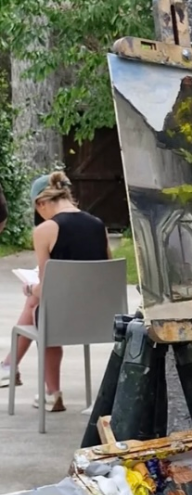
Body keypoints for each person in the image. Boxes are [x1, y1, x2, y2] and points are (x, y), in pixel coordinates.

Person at [0, 171, 110, 411]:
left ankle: (48, 390)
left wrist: (30, 287)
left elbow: (47, 289)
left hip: (62, 322)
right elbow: (108, 273)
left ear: (41, 203)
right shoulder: (98, 225)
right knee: (41, 306)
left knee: (41, 307)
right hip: (101, 320)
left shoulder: (45, 230)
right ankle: (10, 368)